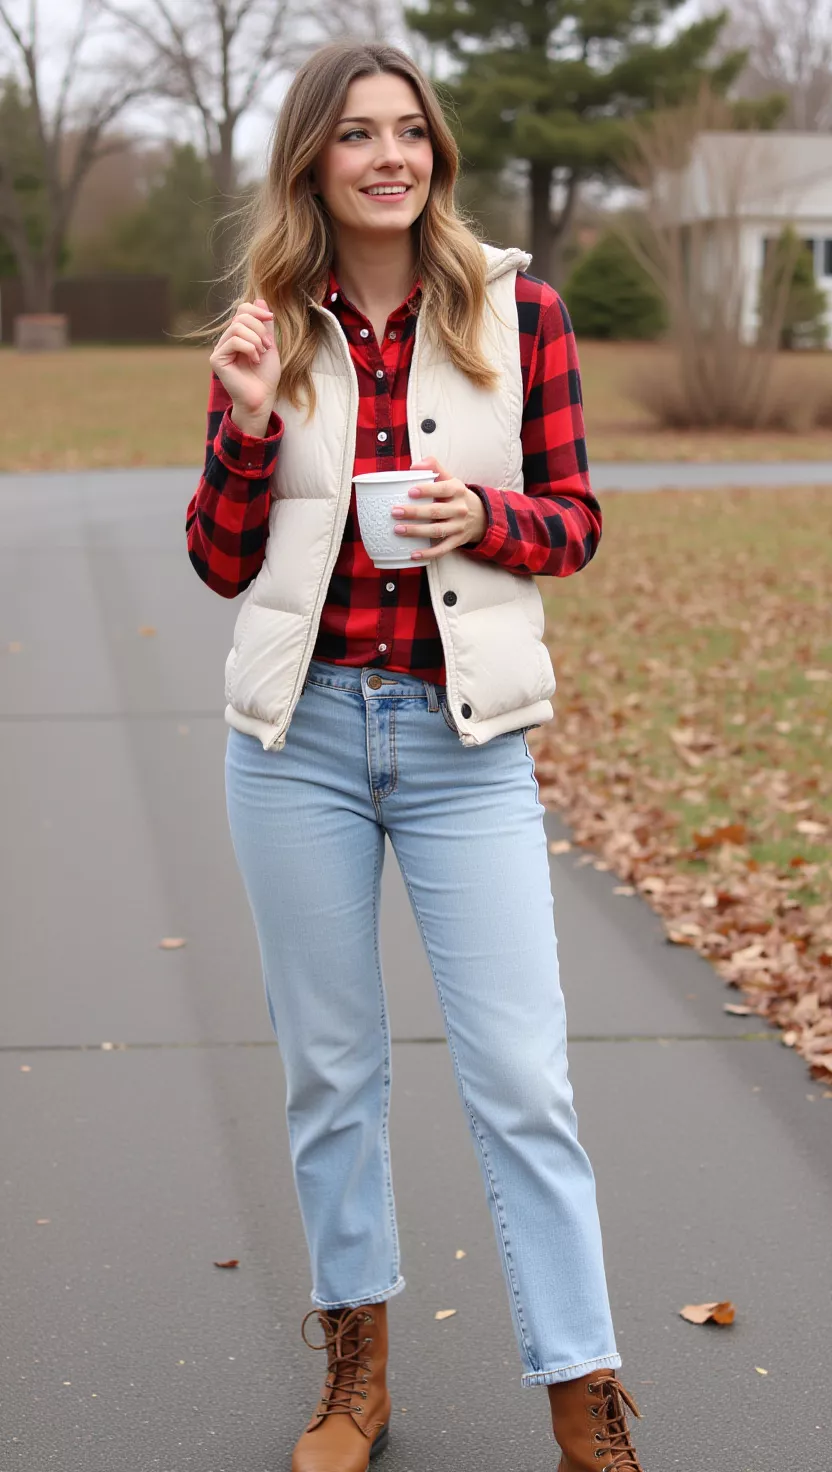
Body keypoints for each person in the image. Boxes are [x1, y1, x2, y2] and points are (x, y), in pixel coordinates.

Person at [186, 38, 646, 1472]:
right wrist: (247, 425)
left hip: (464, 746)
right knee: (331, 1072)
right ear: (312, 161)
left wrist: (484, 521)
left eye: (408, 131)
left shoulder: (522, 313)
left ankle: (583, 1396)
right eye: (356, 134)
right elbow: (218, 561)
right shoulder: (269, 326)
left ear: (436, 152)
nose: (388, 156)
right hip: (301, 742)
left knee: (523, 1079)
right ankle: (357, 1376)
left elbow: (576, 520)